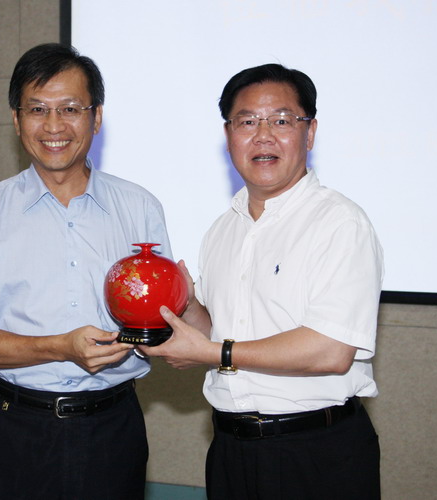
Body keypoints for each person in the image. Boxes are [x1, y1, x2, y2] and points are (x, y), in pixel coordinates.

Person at [0, 43, 172, 500]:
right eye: (37, 109)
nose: (54, 125)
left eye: (71, 109)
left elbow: (158, 323)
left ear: (96, 118)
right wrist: (61, 347)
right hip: (13, 431)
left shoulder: (140, 208)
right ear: (16, 119)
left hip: (113, 429)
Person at [142, 63, 384, 499]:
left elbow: (331, 350)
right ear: (228, 135)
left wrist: (213, 353)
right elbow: (221, 330)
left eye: (282, 121)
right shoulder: (222, 230)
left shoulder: (340, 223)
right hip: (231, 450)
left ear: (310, 133)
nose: (264, 135)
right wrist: (187, 306)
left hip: (316, 453)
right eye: (248, 121)